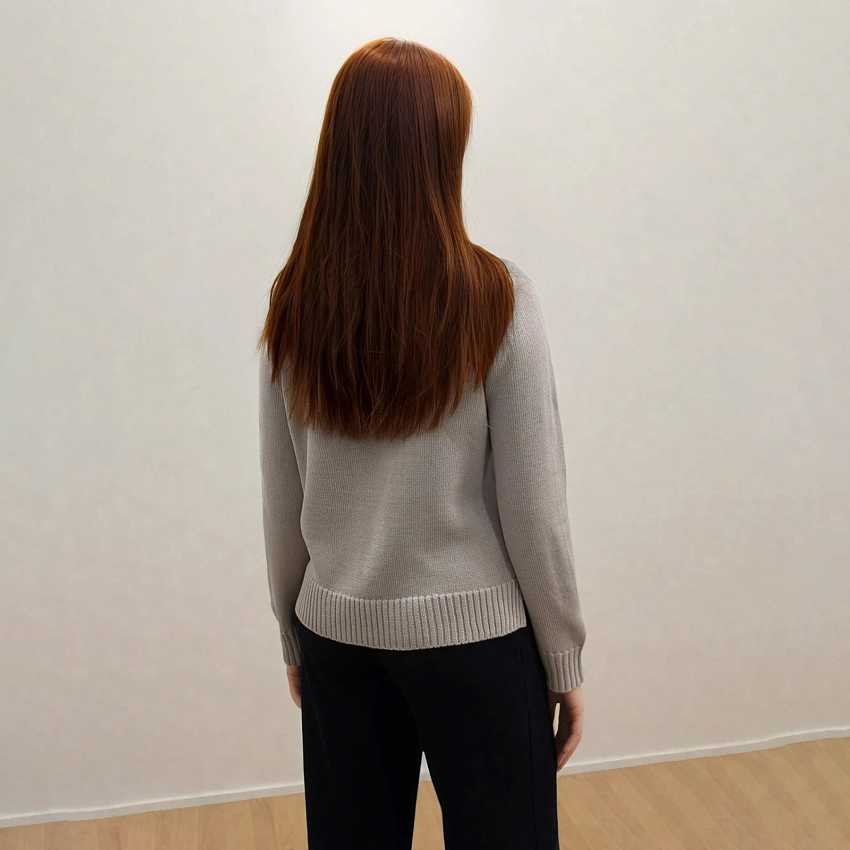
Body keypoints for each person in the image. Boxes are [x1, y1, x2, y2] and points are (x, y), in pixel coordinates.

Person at [257, 36, 586, 850]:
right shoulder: (497, 296)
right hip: (479, 645)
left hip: (338, 639)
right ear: (443, 152)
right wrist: (563, 655)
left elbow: (283, 493)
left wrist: (294, 634)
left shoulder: (293, 303)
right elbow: (535, 505)